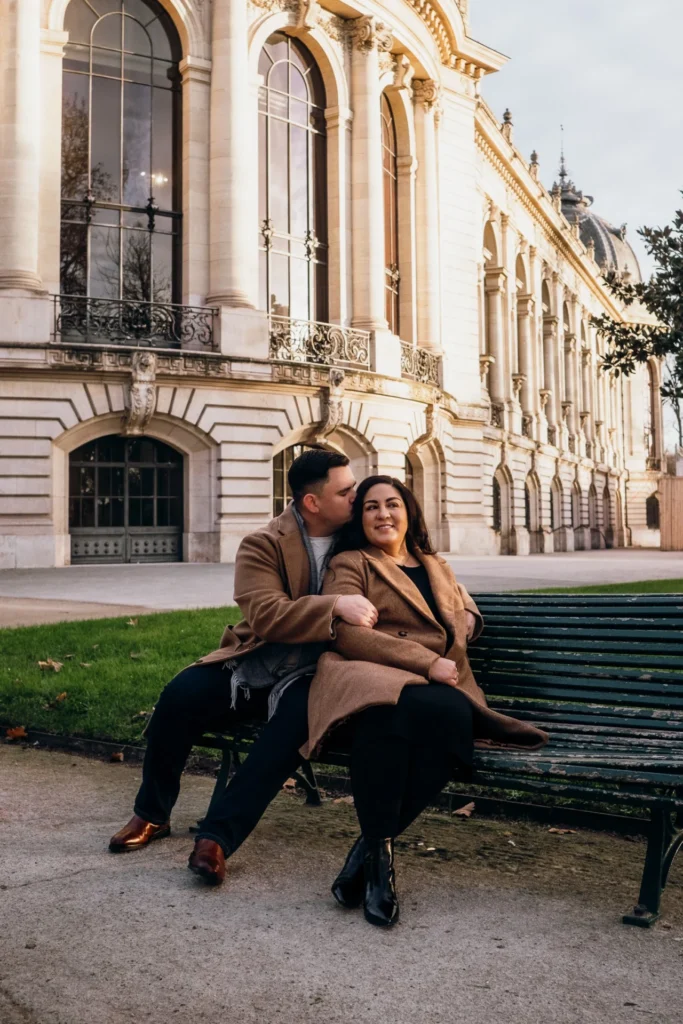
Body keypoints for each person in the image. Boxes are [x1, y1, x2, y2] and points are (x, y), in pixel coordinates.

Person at [109, 449, 378, 886]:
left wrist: (461, 607)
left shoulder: (361, 535)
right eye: (345, 490)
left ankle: (216, 839)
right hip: (257, 661)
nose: (356, 495)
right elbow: (267, 615)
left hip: (324, 674)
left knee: (289, 728)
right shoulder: (264, 543)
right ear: (312, 502)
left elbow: (417, 559)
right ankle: (152, 814)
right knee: (180, 695)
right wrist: (335, 606)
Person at [301, 475, 548, 927]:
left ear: (409, 511)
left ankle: (370, 853)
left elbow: (464, 604)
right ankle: (380, 871)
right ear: (361, 518)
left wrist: (468, 617)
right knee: (390, 719)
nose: (383, 514)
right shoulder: (351, 562)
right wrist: (425, 662)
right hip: (373, 678)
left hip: (438, 690)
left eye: (392, 504)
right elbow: (349, 632)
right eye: (371, 507)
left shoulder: (434, 562)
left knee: (441, 726)